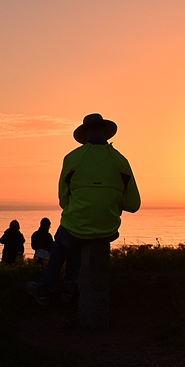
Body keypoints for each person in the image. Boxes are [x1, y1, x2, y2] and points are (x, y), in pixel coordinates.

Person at [28, 113, 141, 305]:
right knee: (75, 242)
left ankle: (44, 290)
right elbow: (133, 204)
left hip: (76, 225)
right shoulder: (121, 161)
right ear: (106, 132)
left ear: (85, 134)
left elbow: (63, 200)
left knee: (62, 244)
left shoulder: (73, 158)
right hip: (108, 228)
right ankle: (69, 288)